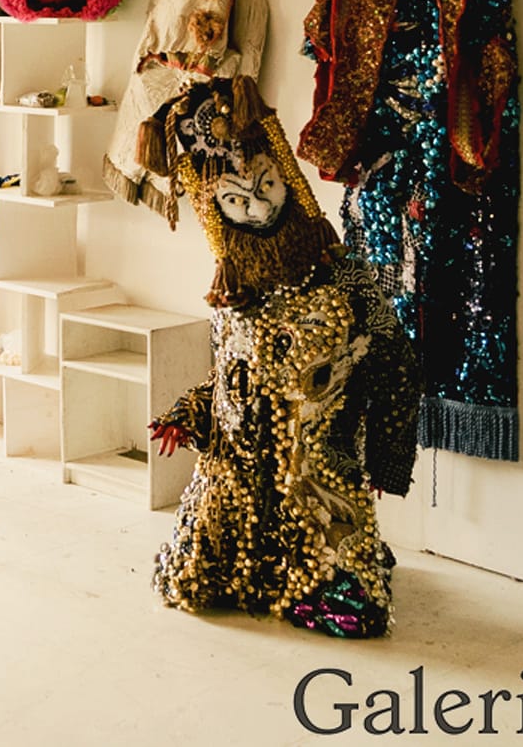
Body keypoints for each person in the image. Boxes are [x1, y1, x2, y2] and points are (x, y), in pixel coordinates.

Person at [137, 77, 420, 638]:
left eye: (267, 185)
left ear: (287, 176)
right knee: (191, 584)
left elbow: (396, 360)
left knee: (353, 606)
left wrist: (385, 452)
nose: (260, 207)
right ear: (214, 209)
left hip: (321, 476)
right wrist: (188, 411)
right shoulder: (234, 291)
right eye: (235, 201)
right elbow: (230, 384)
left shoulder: (345, 275)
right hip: (237, 486)